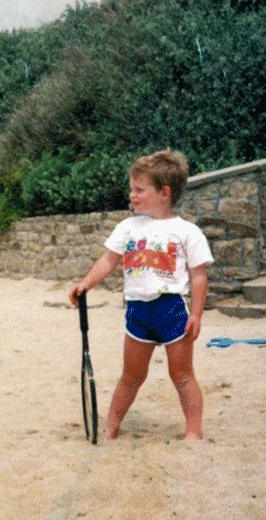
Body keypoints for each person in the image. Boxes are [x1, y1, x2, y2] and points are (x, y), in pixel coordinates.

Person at [68, 149, 213, 441]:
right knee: (131, 377)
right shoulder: (128, 227)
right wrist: (86, 284)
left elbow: (199, 276)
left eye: (139, 189)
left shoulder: (187, 231)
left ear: (164, 193)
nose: (131, 195)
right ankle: (111, 428)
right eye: (131, 189)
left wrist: (196, 314)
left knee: (182, 376)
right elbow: (108, 260)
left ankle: (194, 431)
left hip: (171, 310)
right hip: (137, 312)